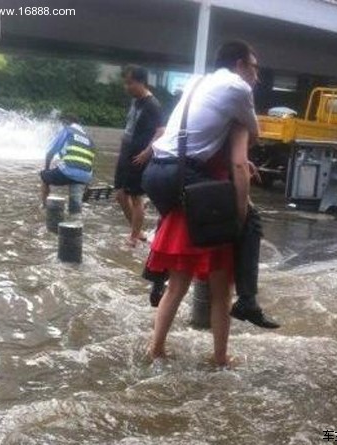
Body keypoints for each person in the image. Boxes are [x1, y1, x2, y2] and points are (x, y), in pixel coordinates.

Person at [142, 40, 276, 366]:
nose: (256, 77)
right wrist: (240, 214)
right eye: (254, 68)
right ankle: (223, 351)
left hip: (169, 182)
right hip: (208, 203)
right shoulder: (237, 98)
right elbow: (241, 164)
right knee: (221, 290)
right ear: (241, 64)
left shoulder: (198, 84)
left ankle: (156, 347)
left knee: (177, 286)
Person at [114, 65, 164, 247]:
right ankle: (137, 231)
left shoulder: (153, 104)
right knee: (120, 195)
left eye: (130, 83)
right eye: (125, 83)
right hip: (126, 153)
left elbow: (161, 131)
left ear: (141, 82)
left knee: (136, 197)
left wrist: (146, 152)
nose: (126, 87)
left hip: (139, 156)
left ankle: (134, 237)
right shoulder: (135, 101)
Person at [40, 115, 96, 209]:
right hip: (85, 176)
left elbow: (50, 152)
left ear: (66, 123)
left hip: (68, 171)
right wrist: (87, 182)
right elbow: (88, 161)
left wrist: (46, 170)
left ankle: (44, 207)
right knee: (75, 205)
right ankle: (75, 213)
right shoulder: (88, 138)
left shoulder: (67, 130)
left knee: (44, 177)